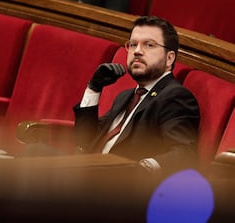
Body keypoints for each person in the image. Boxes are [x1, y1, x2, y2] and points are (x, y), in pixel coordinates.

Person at [74, 16, 200, 174]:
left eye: (149, 45)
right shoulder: (125, 97)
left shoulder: (175, 96)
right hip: (86, 172)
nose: (138, 51)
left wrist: (140, 169)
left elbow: (185, 154)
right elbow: (85, 140)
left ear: (169, 58)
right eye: (133, 45)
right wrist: (93, 88)